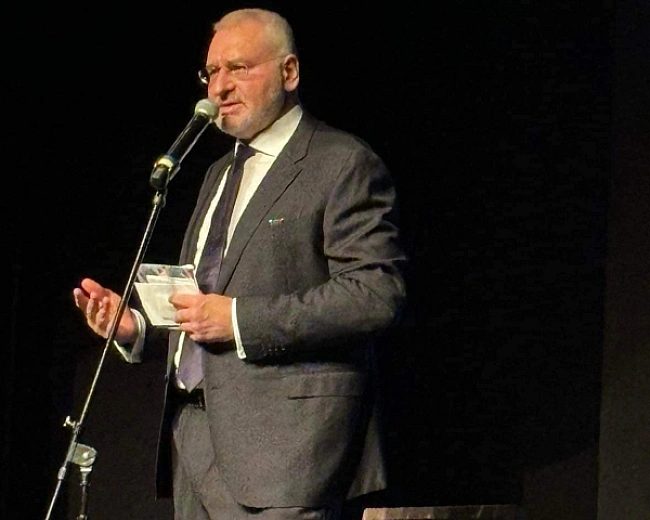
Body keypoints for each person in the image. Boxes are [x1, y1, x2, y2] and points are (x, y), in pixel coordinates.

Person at [73, 8, 407, 520]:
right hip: (194, 443)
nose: (219, 88)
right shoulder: (215, 174)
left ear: (289, 72)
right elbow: (203, 306)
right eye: (211, 72)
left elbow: (374, 295)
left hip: (288, 451)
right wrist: (137, 328)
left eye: (239, 68)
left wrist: (237, 319)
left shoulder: (342, 163)